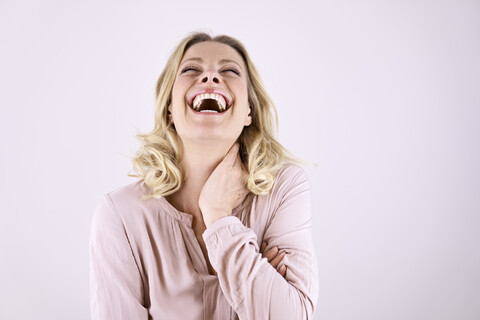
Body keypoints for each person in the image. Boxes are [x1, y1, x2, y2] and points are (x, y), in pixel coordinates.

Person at [89, 31, 319, 319]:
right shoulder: (120, 215)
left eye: (229, 70)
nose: (210, 77)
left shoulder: (284, 188)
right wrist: (257, 279)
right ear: (170, 108)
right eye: (191, 69)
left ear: (249, 110)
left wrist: (218, 214)